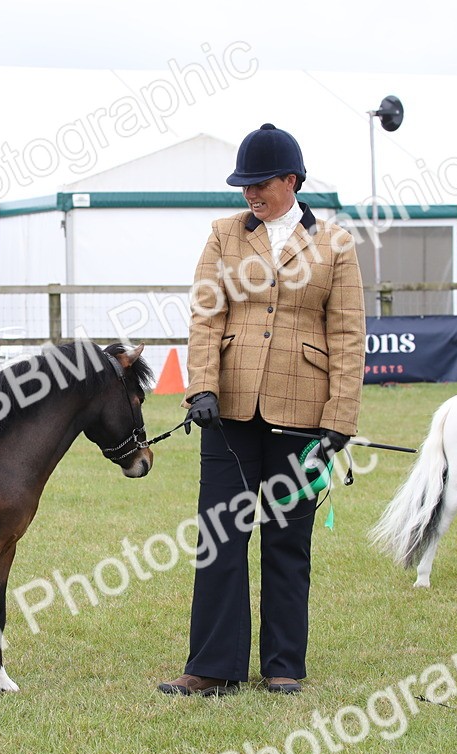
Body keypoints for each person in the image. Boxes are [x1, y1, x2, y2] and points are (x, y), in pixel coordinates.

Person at [158, 123, 366, 697]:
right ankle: (213, 666)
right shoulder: (224, 235)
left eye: (260, 184)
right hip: (227, 410)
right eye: (244, 185)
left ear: (291, 181)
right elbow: (206, 313)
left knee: (286, 538)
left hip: (304, 410)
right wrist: (202, 385)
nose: (250, 194)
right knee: (219, 536)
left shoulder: (336, 244)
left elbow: (348, 333)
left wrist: (338, 421)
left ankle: (282, 666)